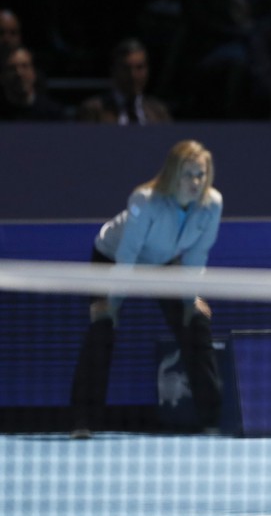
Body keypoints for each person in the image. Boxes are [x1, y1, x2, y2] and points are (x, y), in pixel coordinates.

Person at [69, 140, 223, 439]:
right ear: (172, 174)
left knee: (196, 322)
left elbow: (197, 255)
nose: (195, 182)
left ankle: (212, 420)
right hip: (114, 258)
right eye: (188, 174)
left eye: (201, 175)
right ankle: (82, 420)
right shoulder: (145, 200)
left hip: (164, 260)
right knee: (102, 326)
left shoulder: (211, 205)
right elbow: (127, 255)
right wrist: (111, 305)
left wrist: (192, 300)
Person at [78, 38, 172, 124]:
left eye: (139, 68)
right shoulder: (94, 110)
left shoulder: (158, 111)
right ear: (114, 70)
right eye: (126, 68)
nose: (133, 75)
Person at [0, 45, 67, 120]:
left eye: (25, 66)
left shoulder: (53, 113)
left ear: (34, 72)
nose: (19, 73)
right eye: (12, 68)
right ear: (2, 76)